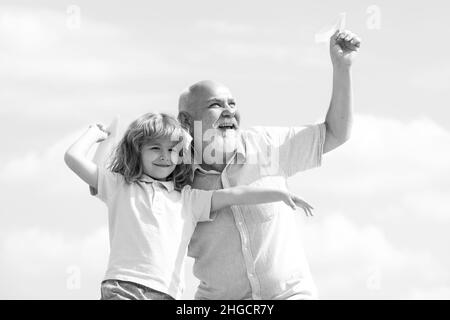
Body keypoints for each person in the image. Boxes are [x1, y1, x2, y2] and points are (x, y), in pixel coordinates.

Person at [177, 30, 361, 299]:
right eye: (215, 105)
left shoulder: (266, 145)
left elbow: (335, 133)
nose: (229, 111)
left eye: (232, 103)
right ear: (185, 121)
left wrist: (342, 68)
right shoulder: (172, 175)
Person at [64, 112, 314, 300]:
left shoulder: (188, 199)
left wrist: (279, 192)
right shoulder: (120, 186)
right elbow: (73, 158)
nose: (165, 156)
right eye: (155, 148)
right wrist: (95, 134)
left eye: (173, 150)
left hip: (167, 293)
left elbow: (233, 195)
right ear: (137, 151)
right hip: (123, 287)